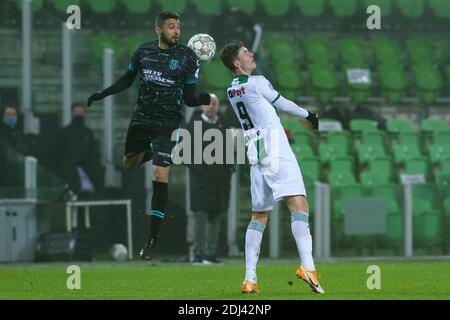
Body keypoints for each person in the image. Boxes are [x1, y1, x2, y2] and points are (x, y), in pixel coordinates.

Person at [86, 11, 211, 261]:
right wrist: (102, 93)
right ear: (158, 30)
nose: (177, 31)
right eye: (172, 27)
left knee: (159, 173)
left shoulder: (188, 58)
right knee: (129, 164)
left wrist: (205, 99)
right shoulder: (143, 52)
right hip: (141, 120)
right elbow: (126, 80)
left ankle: (152, 239)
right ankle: (159, 151)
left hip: (168, 123)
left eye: (179, 27)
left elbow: (188, 98)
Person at [220, 40, 325, 294]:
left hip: (255, 152)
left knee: (259, 215)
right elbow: (282, 103)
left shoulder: (231, 90)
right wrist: (310, 115)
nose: (251, 53)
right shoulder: (258, 82)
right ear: (237, 63)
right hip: (274, 148)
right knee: (298, 204)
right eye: (245, 53)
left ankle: (249, 279)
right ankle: (308, 267)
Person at [184, 94, 233, 265]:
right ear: (202, 107)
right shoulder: (192, 126)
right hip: (201, 180)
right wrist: (199, 168)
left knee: (216, 216)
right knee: (201, 215)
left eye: (215, 103)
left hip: (220, 180)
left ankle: (210, 254)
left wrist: (229, 168)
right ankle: (197, 253)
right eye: (209, 104)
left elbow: (231, 149)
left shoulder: (224, 124)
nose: (212, 106)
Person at [55, 103, 102, 198]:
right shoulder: (64, 133)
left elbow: (93, 154)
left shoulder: (88, 133)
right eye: (77, 112)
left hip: (87, 173)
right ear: (72, 113)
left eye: (81, 112)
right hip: (69, 173)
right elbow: (57, 154)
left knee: (87, 197)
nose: (79, 115)